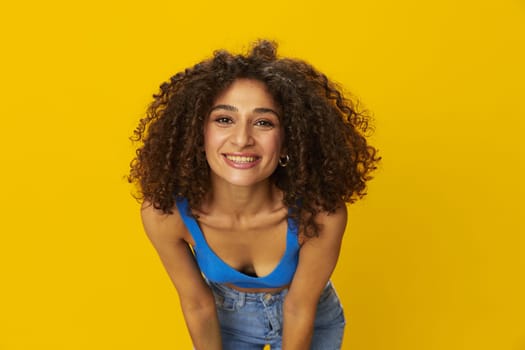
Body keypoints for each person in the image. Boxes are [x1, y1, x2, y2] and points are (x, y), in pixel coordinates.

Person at [129, 39, 380, 350]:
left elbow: (299, 307)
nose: (242, 139)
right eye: (224, 119)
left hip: (311, 317)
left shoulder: (321, 214)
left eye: (263, 122)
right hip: (226, 320)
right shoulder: (164, 214)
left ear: (289, 141)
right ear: (198, 132)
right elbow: (197, 304)